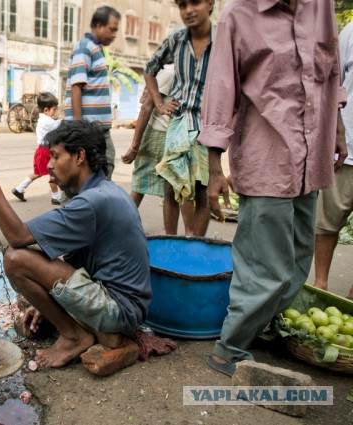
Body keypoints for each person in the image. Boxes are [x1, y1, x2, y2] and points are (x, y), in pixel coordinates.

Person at [197, 0, 347, 376]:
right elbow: (220, 89)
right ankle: (228, 349)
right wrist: (215, 167)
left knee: (299, 258)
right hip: (267, 157)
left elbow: (329, 76)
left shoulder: (321, 7)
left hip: (310, 156)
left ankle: (262, 329)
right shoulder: (239, 15)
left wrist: (338, 129)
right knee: (265, 267)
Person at [0, 120, 151, 368]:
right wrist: (45, 305)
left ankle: (75, 337)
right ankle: (71, 326)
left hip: (120, 312)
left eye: (55, 156)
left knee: (17, 259)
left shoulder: (93, 202)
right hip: (121, 302)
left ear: (80, 156)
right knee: (31, 289)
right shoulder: (102, 191)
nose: (49, 164)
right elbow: (62, 260)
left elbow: (18, 236)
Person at [143, 0, 214, 236]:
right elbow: (150, 69)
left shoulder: (224, 42)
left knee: (203, 191)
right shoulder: (176, 41)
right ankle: (170, 241)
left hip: (209, 125)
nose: (189, 11)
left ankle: (195, 244)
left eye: (195, 3)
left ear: (210, 4)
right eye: (183, 5)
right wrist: (159, 102)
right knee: (171, 188)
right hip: (179, 123)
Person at [314, 21, 353, 302]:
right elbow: (332, 78)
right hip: (347, 147)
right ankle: (320, 285)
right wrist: (335, 132)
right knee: (327, 223)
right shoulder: (351, 30)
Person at [64, 6, 120, 180]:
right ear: (98, 25)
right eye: (112, 30)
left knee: (102, 170)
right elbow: (76, 87)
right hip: (88, 129)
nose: (114, 35)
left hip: (97, 129)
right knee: (90, 174)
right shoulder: (84, 47)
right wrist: (79, 127)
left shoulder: (97, 49)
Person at [121, 65, 175, 208]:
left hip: (173, 137)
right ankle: (121, 225)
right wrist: (134, 147)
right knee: (139, 187)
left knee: (173, 192)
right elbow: (146, 107)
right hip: (156, 135)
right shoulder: (170, 73)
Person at [11, 92, 63, 205]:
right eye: (54, 109)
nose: (55, 112)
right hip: (46, 151)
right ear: (46, 110)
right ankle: (56, 197)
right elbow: (56, 125)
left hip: (42, 150)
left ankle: (19, 189)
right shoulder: (47, 121)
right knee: (53, 174)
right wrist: (65, 120)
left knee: (37, 173)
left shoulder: (43, 119)